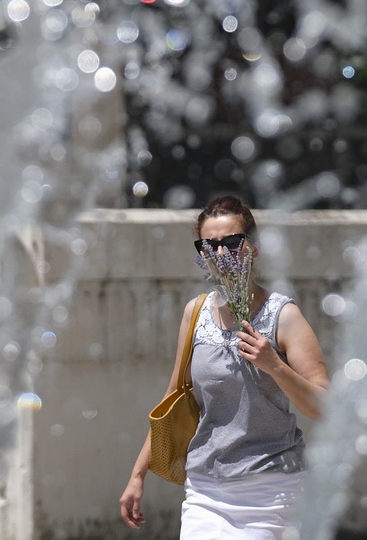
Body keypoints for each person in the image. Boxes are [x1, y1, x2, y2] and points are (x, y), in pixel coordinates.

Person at [119, 195, 330, 538]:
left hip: (270, 490)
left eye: (232, 242)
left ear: (254, 248)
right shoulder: (196, 312)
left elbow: (324, 407)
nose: (220, 253)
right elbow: (174, 398)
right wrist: (137, 475)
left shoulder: (283, 316)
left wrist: (274, 365)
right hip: (205, 489)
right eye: (209, 245)